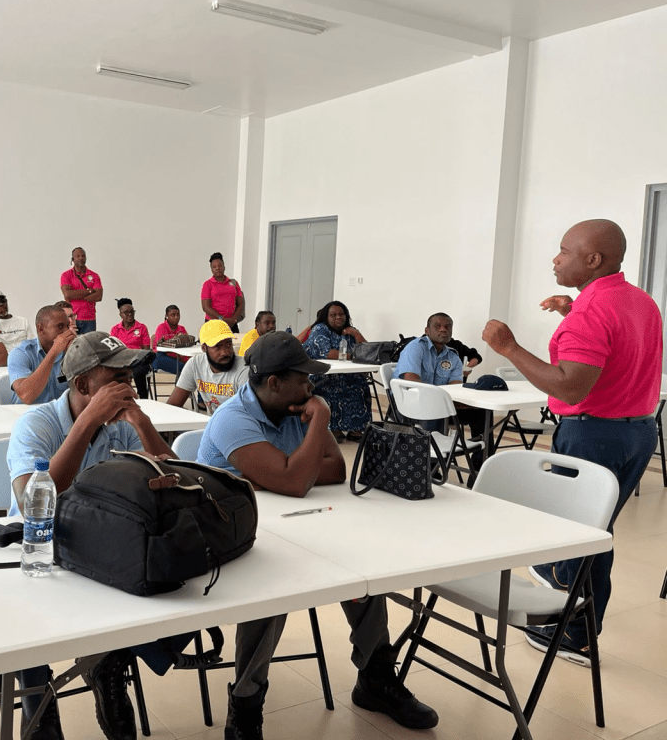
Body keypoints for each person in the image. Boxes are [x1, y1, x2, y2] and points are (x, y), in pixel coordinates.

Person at [197, 332, 439, 738]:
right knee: (273, 587)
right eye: (303, 379)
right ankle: (245, 703)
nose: (311, 387)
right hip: (232, 540)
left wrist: (282, 472)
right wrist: (305, 449)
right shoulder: (232, 418)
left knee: (356, 567)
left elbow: (334, 470)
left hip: (294, 523)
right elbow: (297, 481)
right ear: (274, 383)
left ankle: (375, 677)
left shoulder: (296, 407)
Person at [482, 218, 662, 667]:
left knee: (583, 539)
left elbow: (569, 386)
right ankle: (565, 590)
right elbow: (614, 350)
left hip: (593, 433)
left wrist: (508, 347)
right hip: (638, 432)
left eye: (564, 250)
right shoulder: (640, 301)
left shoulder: (591, 312)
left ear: (593, 260)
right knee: (594, 531)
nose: (555, 259)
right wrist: (573, 310)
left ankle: (575, 629)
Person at [6, 331, 185, 740]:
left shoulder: (121, 428)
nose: (128, 386)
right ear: (84, 384)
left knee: (185, 586)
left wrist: (142, 423)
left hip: (101, 549)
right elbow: (33, 502)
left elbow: (177, 481)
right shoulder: (37, 424)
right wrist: (87, 422)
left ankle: (109, 662)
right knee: (21, 625)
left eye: (130, 377)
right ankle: (39, 707)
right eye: (117, 378)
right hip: (37, 552)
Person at [393, 312, 487, 445]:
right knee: (434, 409)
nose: (443, 330)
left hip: (440, 406)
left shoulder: (453, 357)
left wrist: (467, 402)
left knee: (482, 411)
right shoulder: (415, 347)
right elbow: (411, 382)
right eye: (437, 326)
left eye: (448, 327)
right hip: (409, 406)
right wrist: (440, 400)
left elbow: (456, 389)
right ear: (427, 330)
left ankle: (482, 457)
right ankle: (432, 455)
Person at [302, 301, 371, 442]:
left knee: (359, 384)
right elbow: (327, 353)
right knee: (334, 385)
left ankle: (356, 428)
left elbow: (368, 350)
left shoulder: (350, 331)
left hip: (345, 373)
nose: (338, 317)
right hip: (321, 374)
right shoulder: (320, 329)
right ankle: (333, 428)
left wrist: (356, 333)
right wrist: (354, 356)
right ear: (326, 317)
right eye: (333, 315)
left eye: (341, 314)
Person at [167, 320, 249, 415]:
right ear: (204, 348)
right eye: (217, 347)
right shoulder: (195, 364)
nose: (225, 352)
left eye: (228, 344)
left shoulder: (244, 369)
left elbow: (249, 414)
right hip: (210, 422)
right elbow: (173, 406)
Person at [8, 305, 76, 405]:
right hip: (27, 413)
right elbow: (26, 396)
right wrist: (53, 352)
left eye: (67, 326)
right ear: (41, 329)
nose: (67, 332)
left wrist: (77, 351)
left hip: (59, 412)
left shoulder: (71, 351)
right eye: (60, 327)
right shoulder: (20, 353)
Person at [109, 298, 154, 400]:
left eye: (132, 311)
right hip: (122, 361)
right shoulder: (115, 330)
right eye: (126, 312)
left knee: (138, 372)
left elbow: (146, 349)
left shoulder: (142, 327)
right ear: (120, 314)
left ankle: (143, 400)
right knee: (114, 372)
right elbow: (113, 349)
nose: (130, 314)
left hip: (139, 360)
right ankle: (122, 399)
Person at [60, 247, 103, 334]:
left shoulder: (94, 275)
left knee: (89, 342)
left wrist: (76, 295)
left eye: (83, 256)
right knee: (72, 342)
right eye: (78, 256)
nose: (81, 258)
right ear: (72, 259)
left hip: (90, 319)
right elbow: (67, 294)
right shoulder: (66, 275)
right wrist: (89, 291)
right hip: (72, 318)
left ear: (86, 258)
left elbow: (99, 296)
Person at [200, 251, 245, 333]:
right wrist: (221, 319)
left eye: (219, 265)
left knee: (234, 341)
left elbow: (240, 304)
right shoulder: (207, 284)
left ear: (224, 266)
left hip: (232, 324)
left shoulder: (234, 283)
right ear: (211, 269)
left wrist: (233, 319)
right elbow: (205, 307)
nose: (217, 268)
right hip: (213, 324)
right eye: (214, 267)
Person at [151, 304, 190, 376]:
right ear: (167, 316)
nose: (176, 317)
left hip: (179, 357)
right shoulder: (161, 327)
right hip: (162, 356)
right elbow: (162, 346)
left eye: (178, 315)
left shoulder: (182, 328)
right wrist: (177, 338)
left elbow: (187, 345)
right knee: (186, 370)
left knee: (190, 367)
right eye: (173, 315)